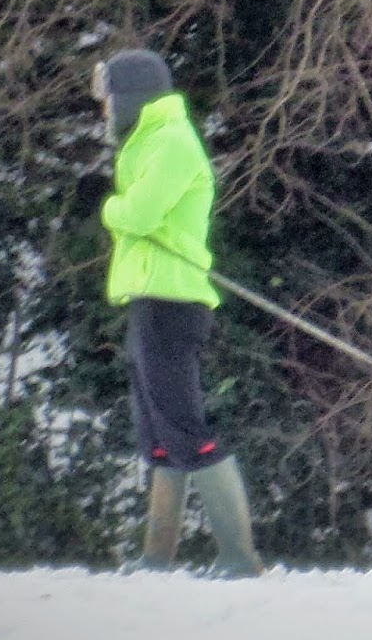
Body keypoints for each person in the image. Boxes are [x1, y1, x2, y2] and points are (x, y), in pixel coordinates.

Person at [91, 48, 264, 577]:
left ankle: (240, 556)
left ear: (132, 96)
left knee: (185, 425)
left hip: (174, 303)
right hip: (150, 299)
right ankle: (157, 556)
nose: (105, 111)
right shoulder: (148, 142)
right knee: (156, 430)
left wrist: (107, 206)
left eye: (109, 99)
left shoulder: (170, 142)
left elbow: (139, 214)